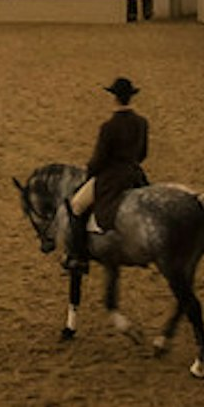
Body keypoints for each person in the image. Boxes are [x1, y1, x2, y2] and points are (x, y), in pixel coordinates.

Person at [63, 76, 149, 273]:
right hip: (135, 175)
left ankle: (78, 257)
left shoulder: (109, 127)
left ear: (114, 98)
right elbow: (143, 153)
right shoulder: (142, 123)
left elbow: (99, 160)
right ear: (130, 98)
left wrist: (89, 172)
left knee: (76, 206)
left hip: (111, 179)